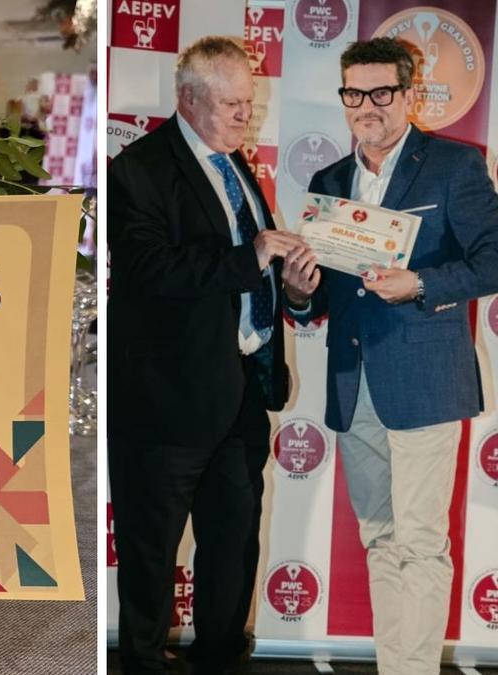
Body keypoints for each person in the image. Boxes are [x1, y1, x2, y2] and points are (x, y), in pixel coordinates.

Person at [284, 37, 498, 674]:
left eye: (381, 93)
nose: (366, 107)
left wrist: (423, 283)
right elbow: (317, 302)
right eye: (354, 93)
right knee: (381, 539)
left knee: (422, 543)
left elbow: (493, 257)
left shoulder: (454, 166)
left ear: (409, 94)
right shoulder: (328, 183)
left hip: (426, 380)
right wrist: (299, 291)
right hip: (355, 381)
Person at [108, 36, 308, 673]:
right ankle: (140, 662)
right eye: (230, 104)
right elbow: (146, 268)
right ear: (188, 99)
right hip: (164, 401)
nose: (243, 116)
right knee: (151, 550)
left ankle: (223, 658)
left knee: (232, 546)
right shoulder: (136, 169)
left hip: (241, 392)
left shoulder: (237, 166)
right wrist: (251, 258)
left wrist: (298, 287)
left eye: (248, 103)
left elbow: (251, 275)